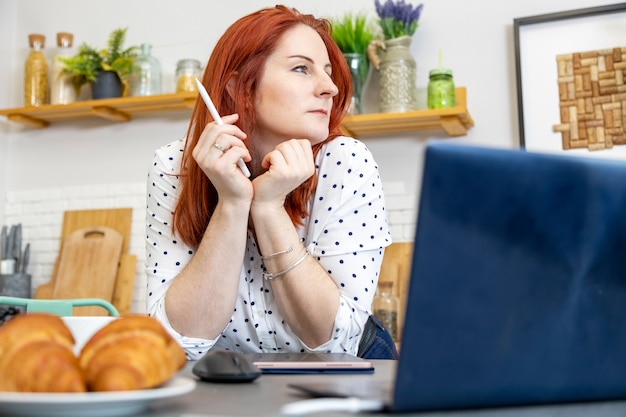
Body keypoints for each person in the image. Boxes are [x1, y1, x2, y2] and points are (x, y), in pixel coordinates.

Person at [145, 5, 394, 360]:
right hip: (231, 380)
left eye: (327, 72)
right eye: (301, 68)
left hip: (348, 367)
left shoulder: (346, 162)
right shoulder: (176, 166)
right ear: (237, 86)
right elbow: (178, 344)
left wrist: (268, 207)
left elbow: (334, 341)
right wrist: (232, 203)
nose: (330, 88)